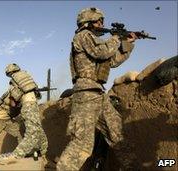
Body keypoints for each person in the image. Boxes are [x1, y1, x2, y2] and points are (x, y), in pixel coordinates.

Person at [57, 7, 138, 170]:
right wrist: (116, 37)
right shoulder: (83, 36)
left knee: (117, 135)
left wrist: (127, 44)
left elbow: (111, 61)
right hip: (86, 94)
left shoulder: (94, 40)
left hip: (98, 93)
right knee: (82, 144)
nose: (102, 24)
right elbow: (102, 52)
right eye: (98, 21)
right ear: (87, 21)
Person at [0, 63, 48, 162]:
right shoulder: (27, 76)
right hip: (34, 104)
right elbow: (38, 95)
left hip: (27, 105)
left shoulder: (14, 81)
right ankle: (43, 154)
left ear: (10, 73)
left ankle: (16, 155)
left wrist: (14, 106)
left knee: (32, 131)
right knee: (38, 130)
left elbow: (13, 101)